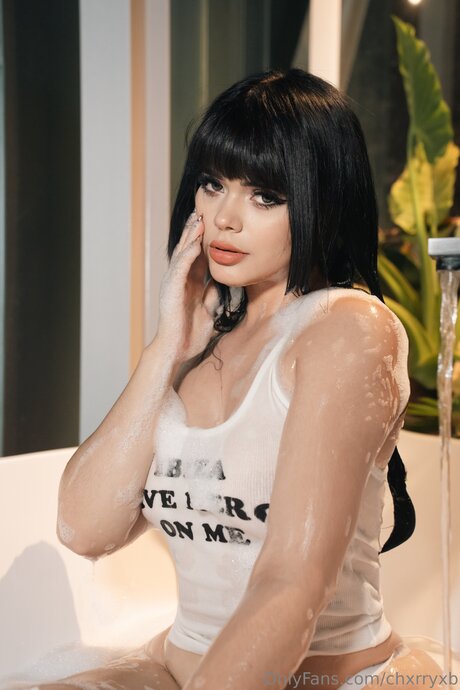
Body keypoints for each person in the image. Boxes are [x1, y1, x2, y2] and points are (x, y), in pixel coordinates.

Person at [44, 69, 446, 690]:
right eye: (212, 184)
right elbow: (85, 530)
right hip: (174, 666)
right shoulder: (203, 340)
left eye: (265, 196)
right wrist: (166, 349)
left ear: (322, 199)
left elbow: (292, 582)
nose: (225, 218)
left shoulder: (345, 330)